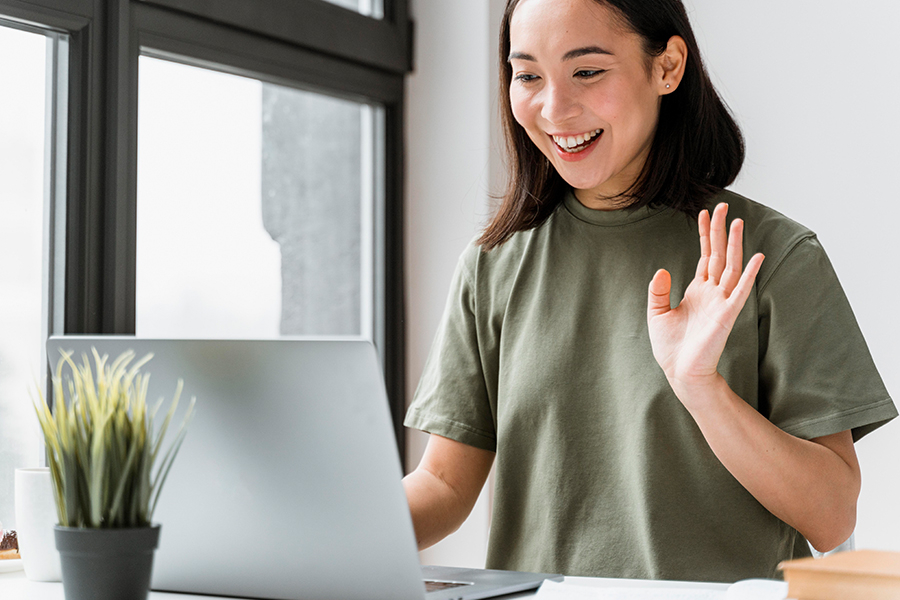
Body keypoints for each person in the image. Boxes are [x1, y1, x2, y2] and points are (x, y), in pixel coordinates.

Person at [401, 0, 897, 584]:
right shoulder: (492, 265)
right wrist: (305, 537)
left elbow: (832, 515)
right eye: (528, 75)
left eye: (587, 71)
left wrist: (702, 388)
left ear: (667, 66)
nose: (554, 108)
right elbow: (444, 484)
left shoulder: (774, 255)